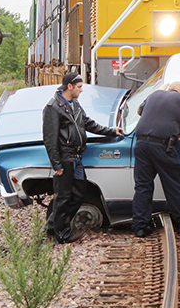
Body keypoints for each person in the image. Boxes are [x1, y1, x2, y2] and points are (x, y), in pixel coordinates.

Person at [42, 72, 122, 244]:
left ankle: (52, 227)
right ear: (69, 86)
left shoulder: (75, 104)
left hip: (77, 157)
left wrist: (111, 131)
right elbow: (50, 139)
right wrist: (57, 164)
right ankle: (62, 234)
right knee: (63, 197)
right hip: (65, 158)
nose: (81, 90)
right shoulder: (52, 108)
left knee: (78, 194)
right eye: (79, 87)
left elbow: (88, 123)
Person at [132, 81, 180, 237]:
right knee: (173, 186)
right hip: (162, 147)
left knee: (142, 186)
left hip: (141, 143)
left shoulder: (153, 94)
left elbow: (140, 111)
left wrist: (172, 128)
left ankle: (140, 226)